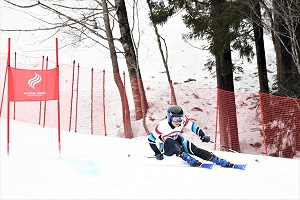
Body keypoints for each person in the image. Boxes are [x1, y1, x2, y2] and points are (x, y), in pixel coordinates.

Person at [148, 105, 234, 167]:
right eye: (175, 119)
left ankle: (216, 160)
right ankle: (187, 158)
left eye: (180, 118)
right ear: (170, 118)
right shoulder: (162, 125)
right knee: (170, 141)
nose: (178, 122)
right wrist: (157, 153)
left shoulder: (182, 121)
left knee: (195, 149)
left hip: (176, 140)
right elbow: (150, 139)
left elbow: (194, 127)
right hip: (166, 148)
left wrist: (202, 136)